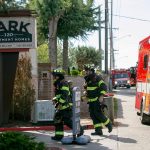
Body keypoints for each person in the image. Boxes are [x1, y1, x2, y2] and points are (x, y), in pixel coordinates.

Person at [51, 69, 84, 141]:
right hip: (61, 106)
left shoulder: (63, 84)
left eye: (54, 75)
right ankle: (59, 136)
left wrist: (59, 102)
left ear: (58, 76)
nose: (53, 77)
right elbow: (59, 95)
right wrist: (55, 99)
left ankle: (80, 130)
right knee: (57, 120)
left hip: (66, 106)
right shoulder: (58, 83)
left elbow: (64, 95)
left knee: (67, 121)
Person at [83, 66, 112, 136]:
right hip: (91, 101)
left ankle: (108, 124)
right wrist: (86, 93)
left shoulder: (97, 78)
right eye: (85, 70)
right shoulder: (87, 79)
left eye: (87, 70)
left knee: (98, 114)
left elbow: (103, 86)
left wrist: (101, 96)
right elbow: (88, 89)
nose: (86, 72)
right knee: (93, 115)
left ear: (91, 71)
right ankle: (98, 130)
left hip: (96, 100)